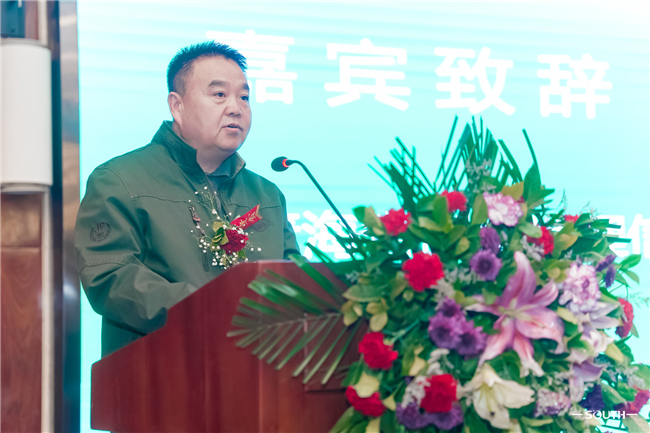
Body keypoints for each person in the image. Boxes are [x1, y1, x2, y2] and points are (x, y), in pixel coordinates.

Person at [75, 42, 300, 357]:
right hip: (162, 371)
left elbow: (296, 281)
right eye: (219, 94)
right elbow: (110, 277)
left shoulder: (267, 194)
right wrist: (209, 310)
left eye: (244, 97)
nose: (236, 108)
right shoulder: (119, 180)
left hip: (261, 370)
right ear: (176, 106)